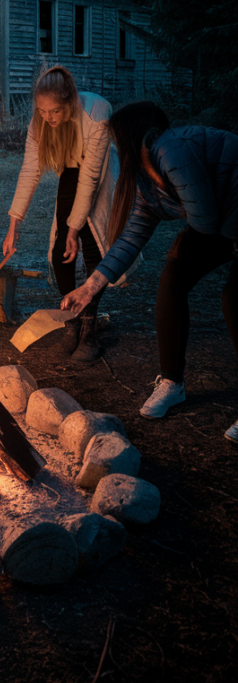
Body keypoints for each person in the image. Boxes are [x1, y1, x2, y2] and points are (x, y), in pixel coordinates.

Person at [61, 102, 238, 439]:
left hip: (227, 220)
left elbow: (206, 217)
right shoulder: (147, 182)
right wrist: (90, 288)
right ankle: (172, 381)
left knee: (234, 298)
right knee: (172, 278)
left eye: (116, 140)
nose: (115, 148)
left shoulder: (171, 148)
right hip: (224, 227)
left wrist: (188, 239)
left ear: (130, 136)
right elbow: (131, 238)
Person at [3, 66, 120, 366]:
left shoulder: (97, 116)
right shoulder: (40, 122)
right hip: (71, 166)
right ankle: (73, 320)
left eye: (54, 111)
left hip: (100, 171)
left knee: (93, 244)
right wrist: (14, 225)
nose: (48, 118)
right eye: (42, 111)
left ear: (71, 102)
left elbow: (90, 179)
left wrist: (75, 230)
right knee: (60, 252)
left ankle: (90, 328)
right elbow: (30, 169)